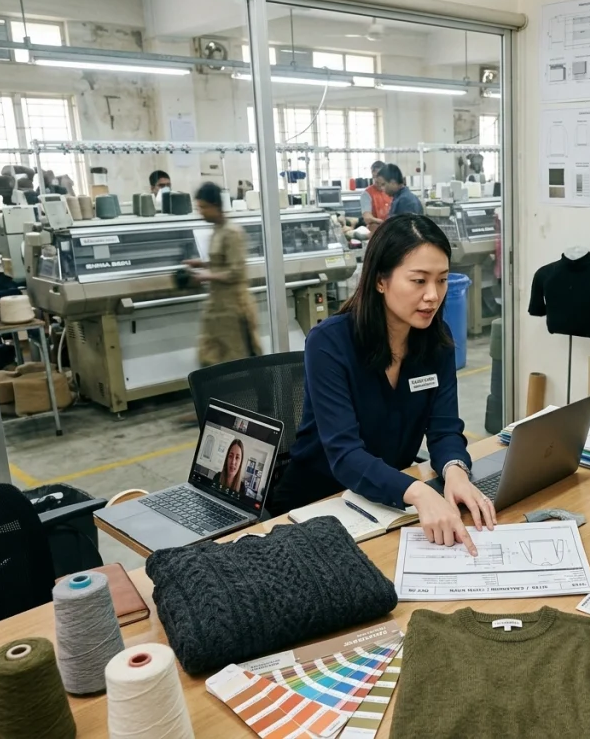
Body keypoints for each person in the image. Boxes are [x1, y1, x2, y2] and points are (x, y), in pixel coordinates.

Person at [269, 213, 496, 553]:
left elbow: (445, 428)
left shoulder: (436, 341)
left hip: (388, 503)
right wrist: (420, 492)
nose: (433, 295)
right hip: (316, 506)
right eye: (419, 281)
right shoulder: (330, 343)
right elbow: (344, 454)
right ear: (380, 280)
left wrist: (455, 471)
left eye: (442, 280)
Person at [185, 182, 262, 368]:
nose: (201, 212)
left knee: (236, 359)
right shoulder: (216, 231)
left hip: (234, 308)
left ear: (215, 206)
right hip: (217, 307)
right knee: (208, 356)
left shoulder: (232, 233)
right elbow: (221, 263)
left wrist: (205, 276)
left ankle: (243, 396)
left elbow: (236, 272)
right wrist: (202, 264)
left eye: (203, 207)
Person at [360, 160, 392, 232]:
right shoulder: (367, 193)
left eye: (379, 176)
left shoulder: (391, 190)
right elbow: (367, 218)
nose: (376, 180)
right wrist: (381, 222)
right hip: (377, 230)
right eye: (374, 177)